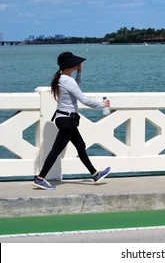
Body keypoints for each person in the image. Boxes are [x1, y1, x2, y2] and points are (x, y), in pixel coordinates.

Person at [33, 52, 111, 190]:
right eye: (76, 63)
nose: (78, 64)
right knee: (56, 150)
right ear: (70, 65)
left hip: (65, 119)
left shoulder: (64, 78)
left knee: (80, 145)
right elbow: (83, 100)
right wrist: (102, 105)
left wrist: (79, 73)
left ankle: (95, 174)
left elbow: (76, 88)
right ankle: (40, 178)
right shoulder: (67, 80)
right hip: (67, 120)